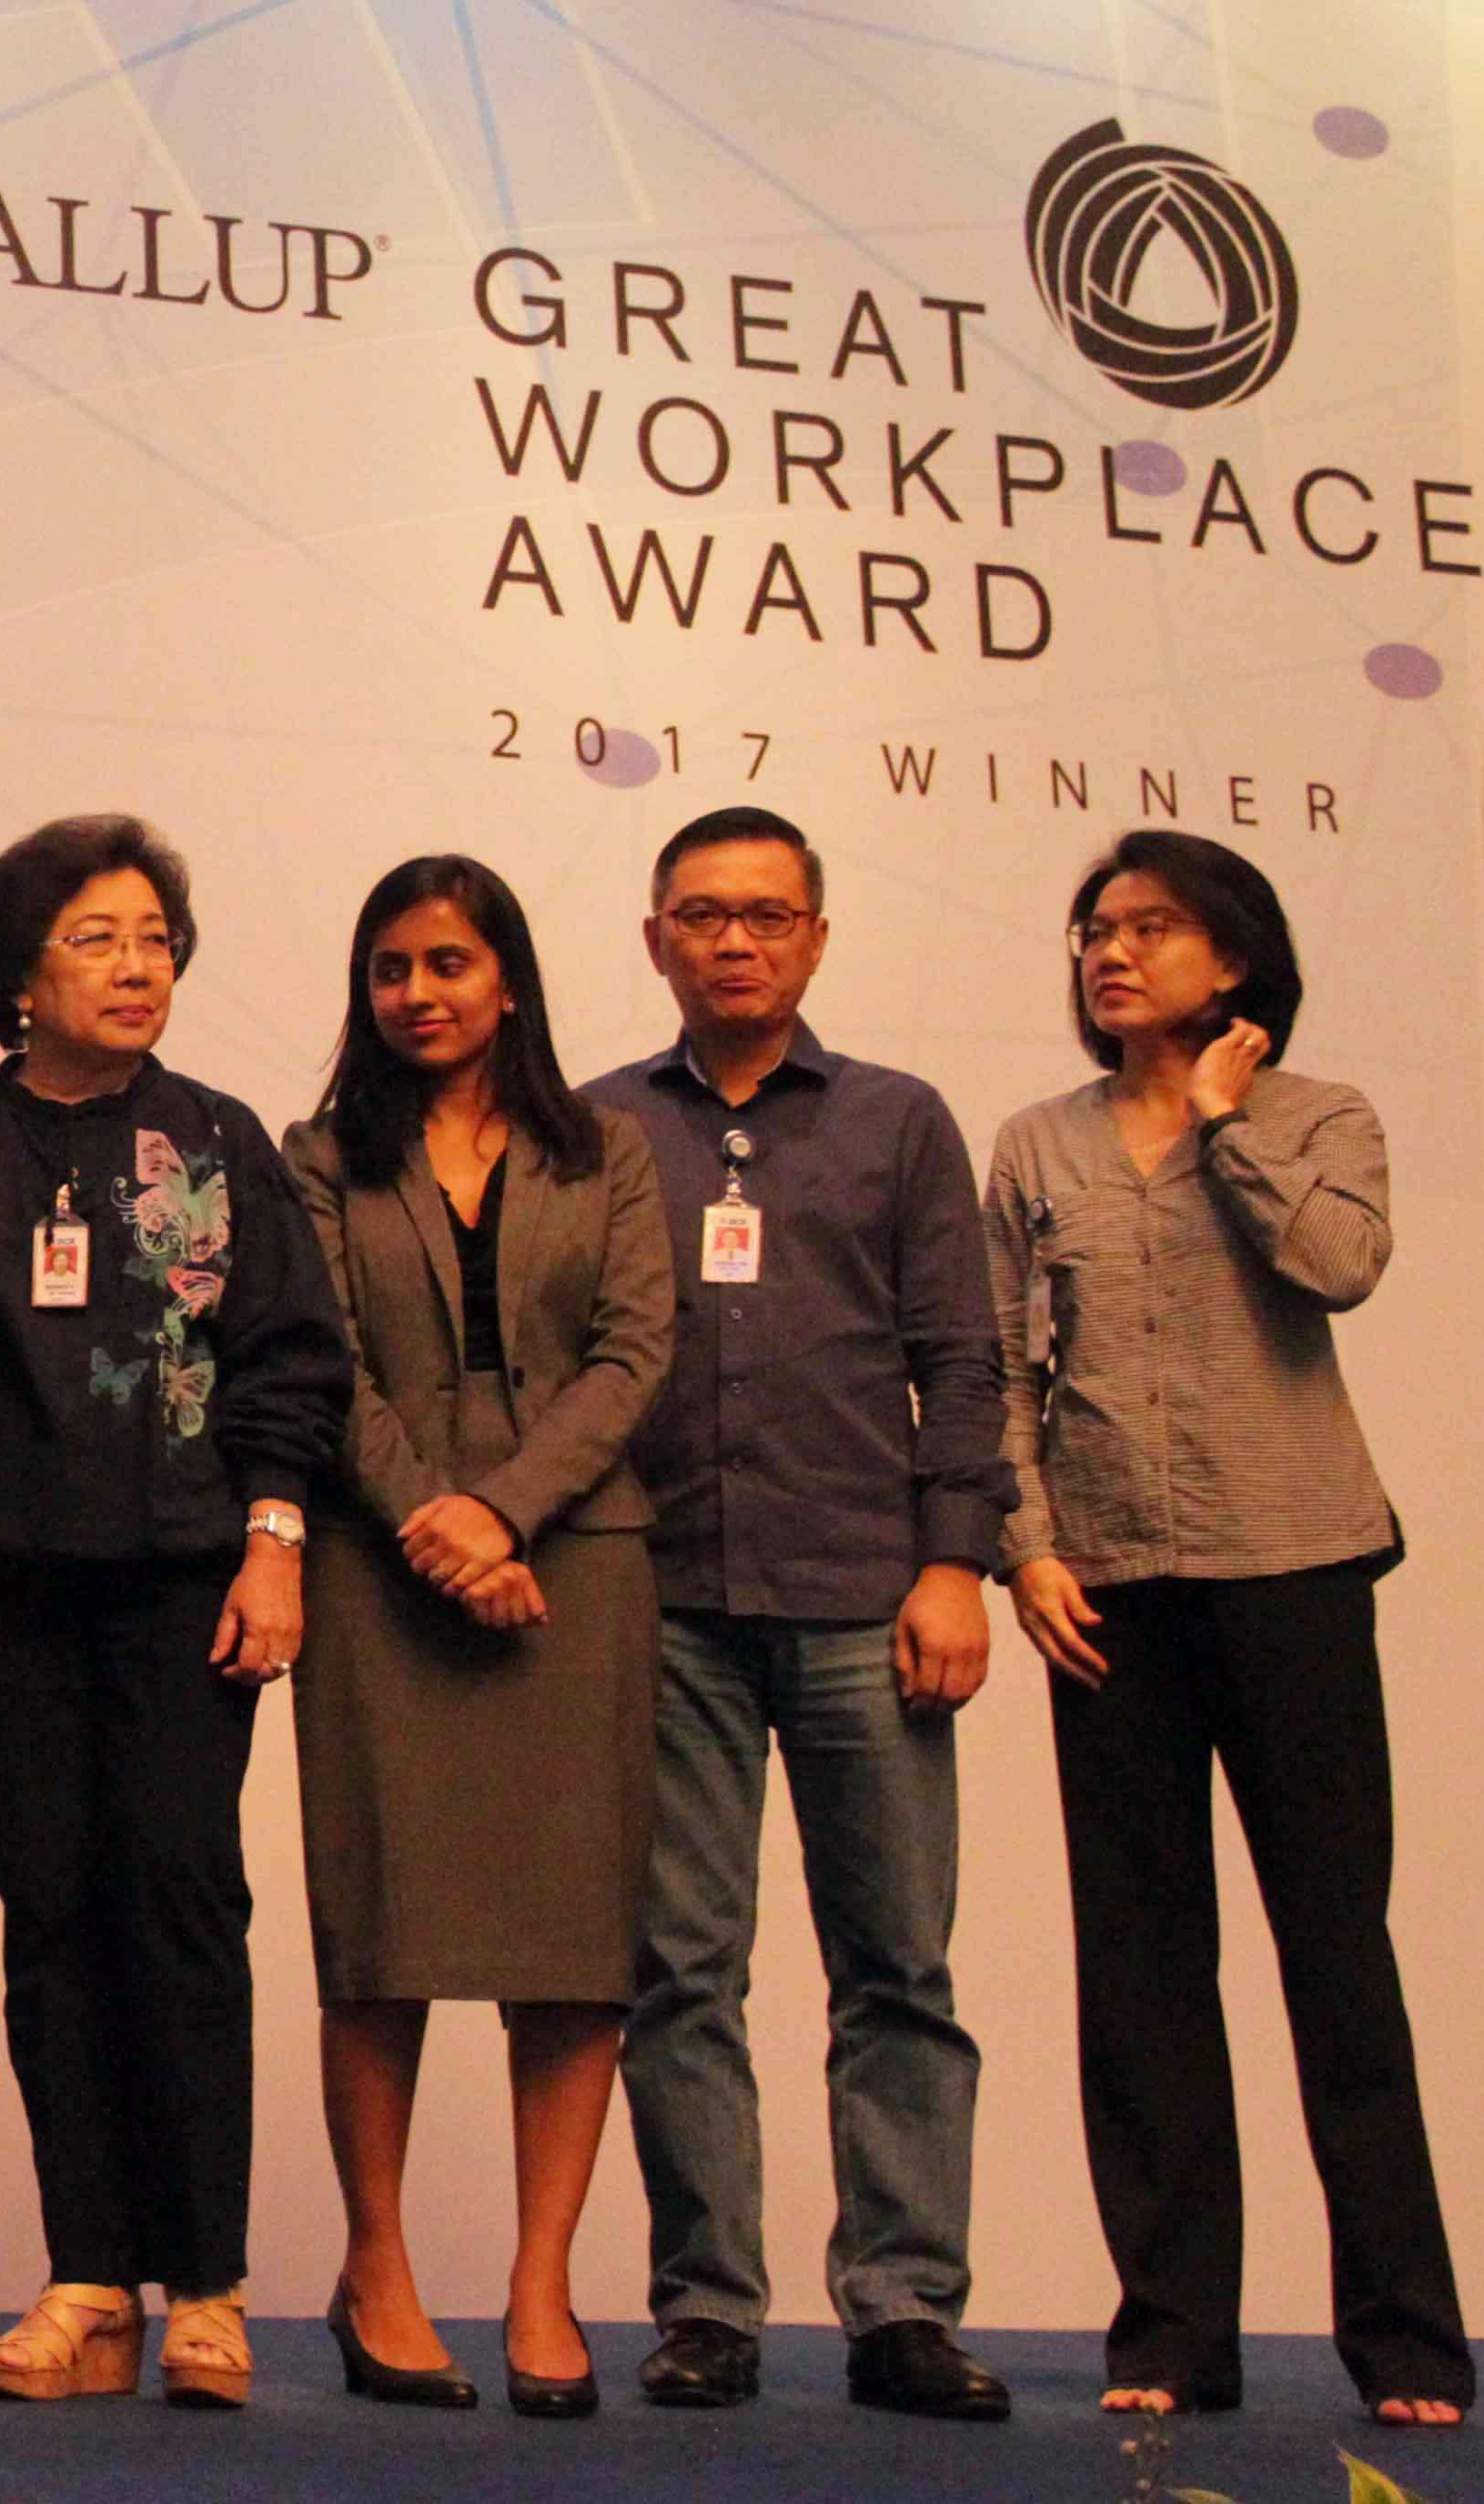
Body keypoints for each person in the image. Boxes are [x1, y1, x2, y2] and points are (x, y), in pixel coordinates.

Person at [984, 833, 1471, 2430]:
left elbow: (1340, 1266)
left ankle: (1407, 2343)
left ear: (1237, 959)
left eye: (1151, 927)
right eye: (1096, 930)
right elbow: (1001, 1374)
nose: (1111, 953)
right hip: (1106, 1590)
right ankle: (1173, 2337)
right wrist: (1026, 1550)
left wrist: (1222, 1123)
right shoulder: (1036, 1144)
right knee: (1140, 1972)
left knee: (1337, 1958)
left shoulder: (1320, 1116)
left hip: (1294, 1571)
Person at [0, 815, 347, 2416]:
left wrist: (274, 1542)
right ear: (18, 975)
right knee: (50, 1921)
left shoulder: (221, 1141)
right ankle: (88, 2284)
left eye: (156, 936)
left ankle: (209, 2287)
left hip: (184, 1583)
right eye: (96, 937)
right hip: (3, 1591)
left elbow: (291, 1361)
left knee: (182, 1909)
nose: (137, 964)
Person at [582, 806, 1016, 2423]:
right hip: (663, 1602)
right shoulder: (600, 1125)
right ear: (656, 940)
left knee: (896, 1969)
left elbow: (961, 1361)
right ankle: (709, 2307)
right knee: (679, 1974)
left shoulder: (899, 1120)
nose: (736, 942)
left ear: (817, 937)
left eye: (768, 915)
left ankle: (903, 2308)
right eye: (704, 915)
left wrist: (954, 1562)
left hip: (865, 1599)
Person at [282, 855, 674, 2421]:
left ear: (508, 980)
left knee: (572, 1947)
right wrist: (438, 1530)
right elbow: (323, 1362)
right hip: (380, 1571)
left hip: (579, 1570)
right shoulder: (321, 1157)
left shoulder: (613, 1150)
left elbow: (635, 1351)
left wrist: (503, 1515)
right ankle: (377, 2270)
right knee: (378, 1934)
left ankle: (541, 2283)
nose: (418, 993)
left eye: (448, 963)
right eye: (390, 968)